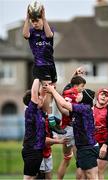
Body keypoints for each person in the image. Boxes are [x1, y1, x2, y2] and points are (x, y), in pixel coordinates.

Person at [22, 1, 65, 134]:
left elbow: (50, 36)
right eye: (33, 21)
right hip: (40, 66)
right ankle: (51, 121)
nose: (35, 23)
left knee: (52, 92)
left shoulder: (48, 30)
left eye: (37, 20)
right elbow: (25, 35)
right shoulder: (31, 32)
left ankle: (48, 116)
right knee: (47, 91)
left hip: (51, 65)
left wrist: (44, 17)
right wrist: (27, 18)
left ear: (42, 19)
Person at [44, 84, 99, 180]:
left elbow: (64, 104)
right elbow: (64, 110)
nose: (77, 95)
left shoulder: (84, 108)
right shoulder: (80, 108)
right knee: (88, 174)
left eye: (80, 94)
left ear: (85, 97)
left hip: (87, 147)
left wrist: (53, 91)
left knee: (91, 175)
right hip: (85, 147)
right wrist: (55, 97)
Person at [57, 75, 86, 180]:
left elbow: (62, 104)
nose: (83, 89)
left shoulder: (66, 93)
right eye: (82, 86)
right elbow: (69, 111)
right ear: (76, 86)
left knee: (66, 158)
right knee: (80, 163)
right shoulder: (76, 96)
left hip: (65, 128)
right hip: (73, 128)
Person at [22, 79, 46, 180]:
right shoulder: (31, 111)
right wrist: (37, 76)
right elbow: (34, 93)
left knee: (34, 177)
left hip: (36, 149)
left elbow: (43, 94)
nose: (42, 99)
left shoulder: (39, 111)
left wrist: (44, 82)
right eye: (38, 97)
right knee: (29, 178)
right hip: (32, 149)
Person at [93, 88, 108, 180]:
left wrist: (105, 146)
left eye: (106, 95)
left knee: (99, 170)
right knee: (90, 171)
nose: (103, 96)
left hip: (107, 144)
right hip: (94, 143)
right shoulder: (91, 109)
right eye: (102, 94)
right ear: (97, 96)